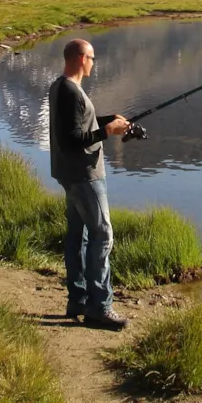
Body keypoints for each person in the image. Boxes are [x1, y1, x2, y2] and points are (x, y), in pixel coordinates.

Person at [49, 38, 131, 330]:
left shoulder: (59, 87)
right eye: (92, 58)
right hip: (84, 175)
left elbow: (80, 123)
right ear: (81, 58)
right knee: (103, 236)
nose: (94, 63)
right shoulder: (71, 90)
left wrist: (112, 121)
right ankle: (100, 307)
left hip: (67, 173)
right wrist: (108, 131)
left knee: (77, 236)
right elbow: (73, 139)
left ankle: (79, 300)